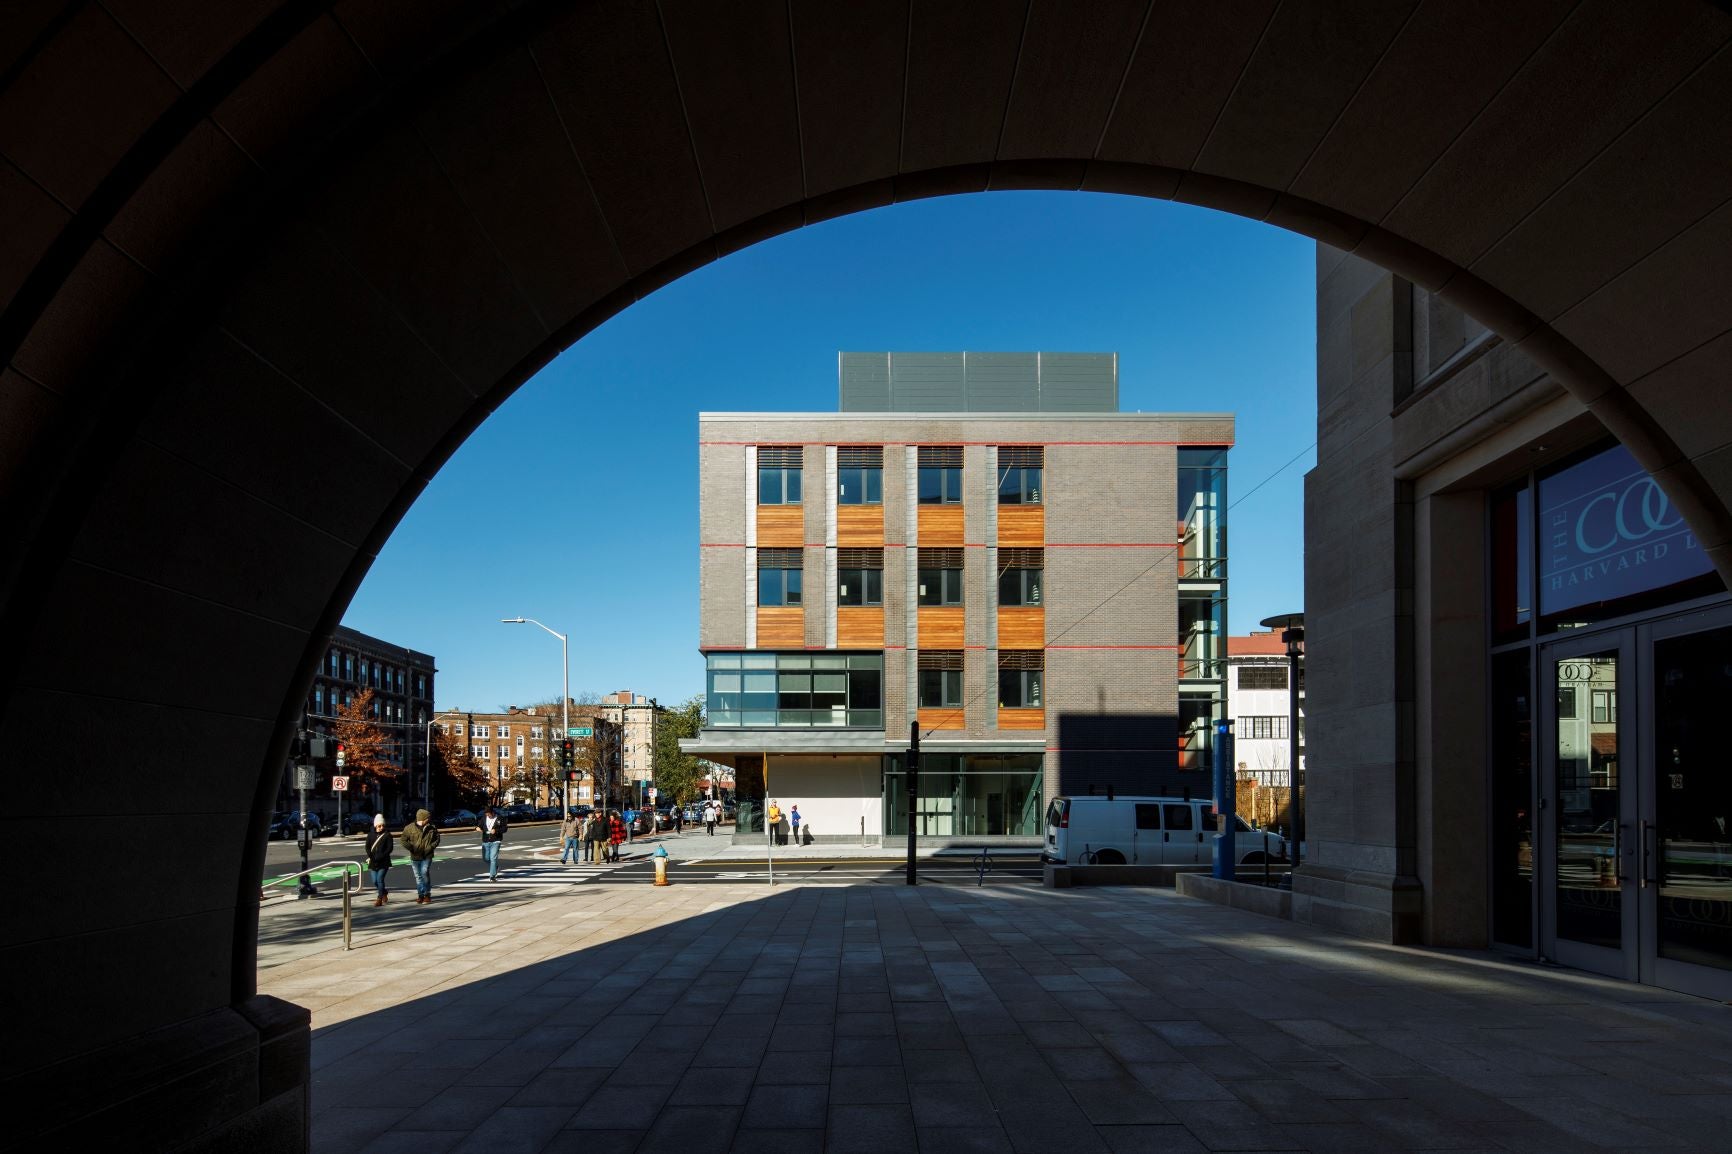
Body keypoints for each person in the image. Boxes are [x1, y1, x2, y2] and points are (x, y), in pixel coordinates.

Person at [401, 809, 441, 904]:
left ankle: (427, 894)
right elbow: (403, 840)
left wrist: (430, 847)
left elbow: (437, 838)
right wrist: (411, 848)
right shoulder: (409, 828)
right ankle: (420, 895)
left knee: (424, 872)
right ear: (423, 818)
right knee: (418, 876)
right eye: (428, 818)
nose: (429, 819)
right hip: (415, 856)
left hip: (427, 855)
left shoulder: (432, 827)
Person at [365, 814, 394, 906]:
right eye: (379, 825)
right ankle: (384, 892)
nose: (381, 827)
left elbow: (389, 848)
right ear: (375, 825)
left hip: (384, 862)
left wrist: (382, 856)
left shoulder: (387, 835)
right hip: (373, 862)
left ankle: (379, 898)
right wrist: (371, 856)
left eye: (383, 825)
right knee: (375, 881)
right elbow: (367, 847)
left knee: (380, 879)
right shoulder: (370, 835)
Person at [477, 806, 507, 881]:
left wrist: (496, 831)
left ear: (492, 813)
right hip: (485, 841)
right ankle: (495, 867)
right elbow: (479, 825)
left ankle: (492, 876)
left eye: (489, 814)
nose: (488, 816)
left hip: (496, 841)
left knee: (493, 858)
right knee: (486, 858)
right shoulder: (484, 818)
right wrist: (478, 828)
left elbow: (505, 828)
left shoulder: (499, 818)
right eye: (486, 814)